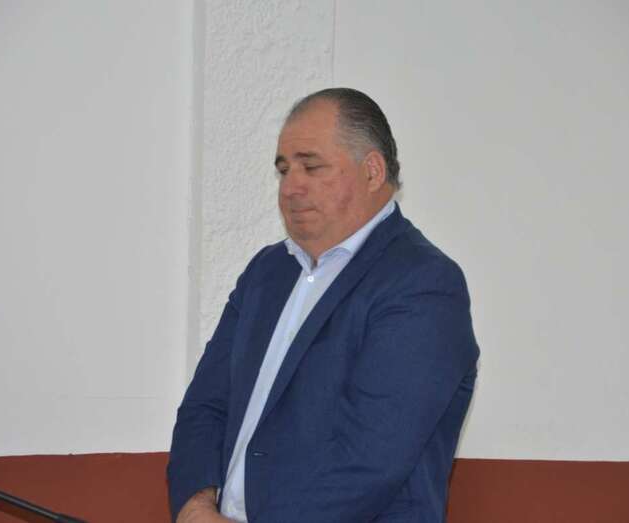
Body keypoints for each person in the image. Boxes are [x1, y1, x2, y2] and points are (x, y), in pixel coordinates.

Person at [167, 88, 479, 523]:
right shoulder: (266, 273)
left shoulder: (422, 284)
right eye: (283, 170)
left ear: (372, 171)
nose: (290, 187)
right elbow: (205, 406)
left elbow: (368, 462)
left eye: (311, 166)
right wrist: (196, 508)